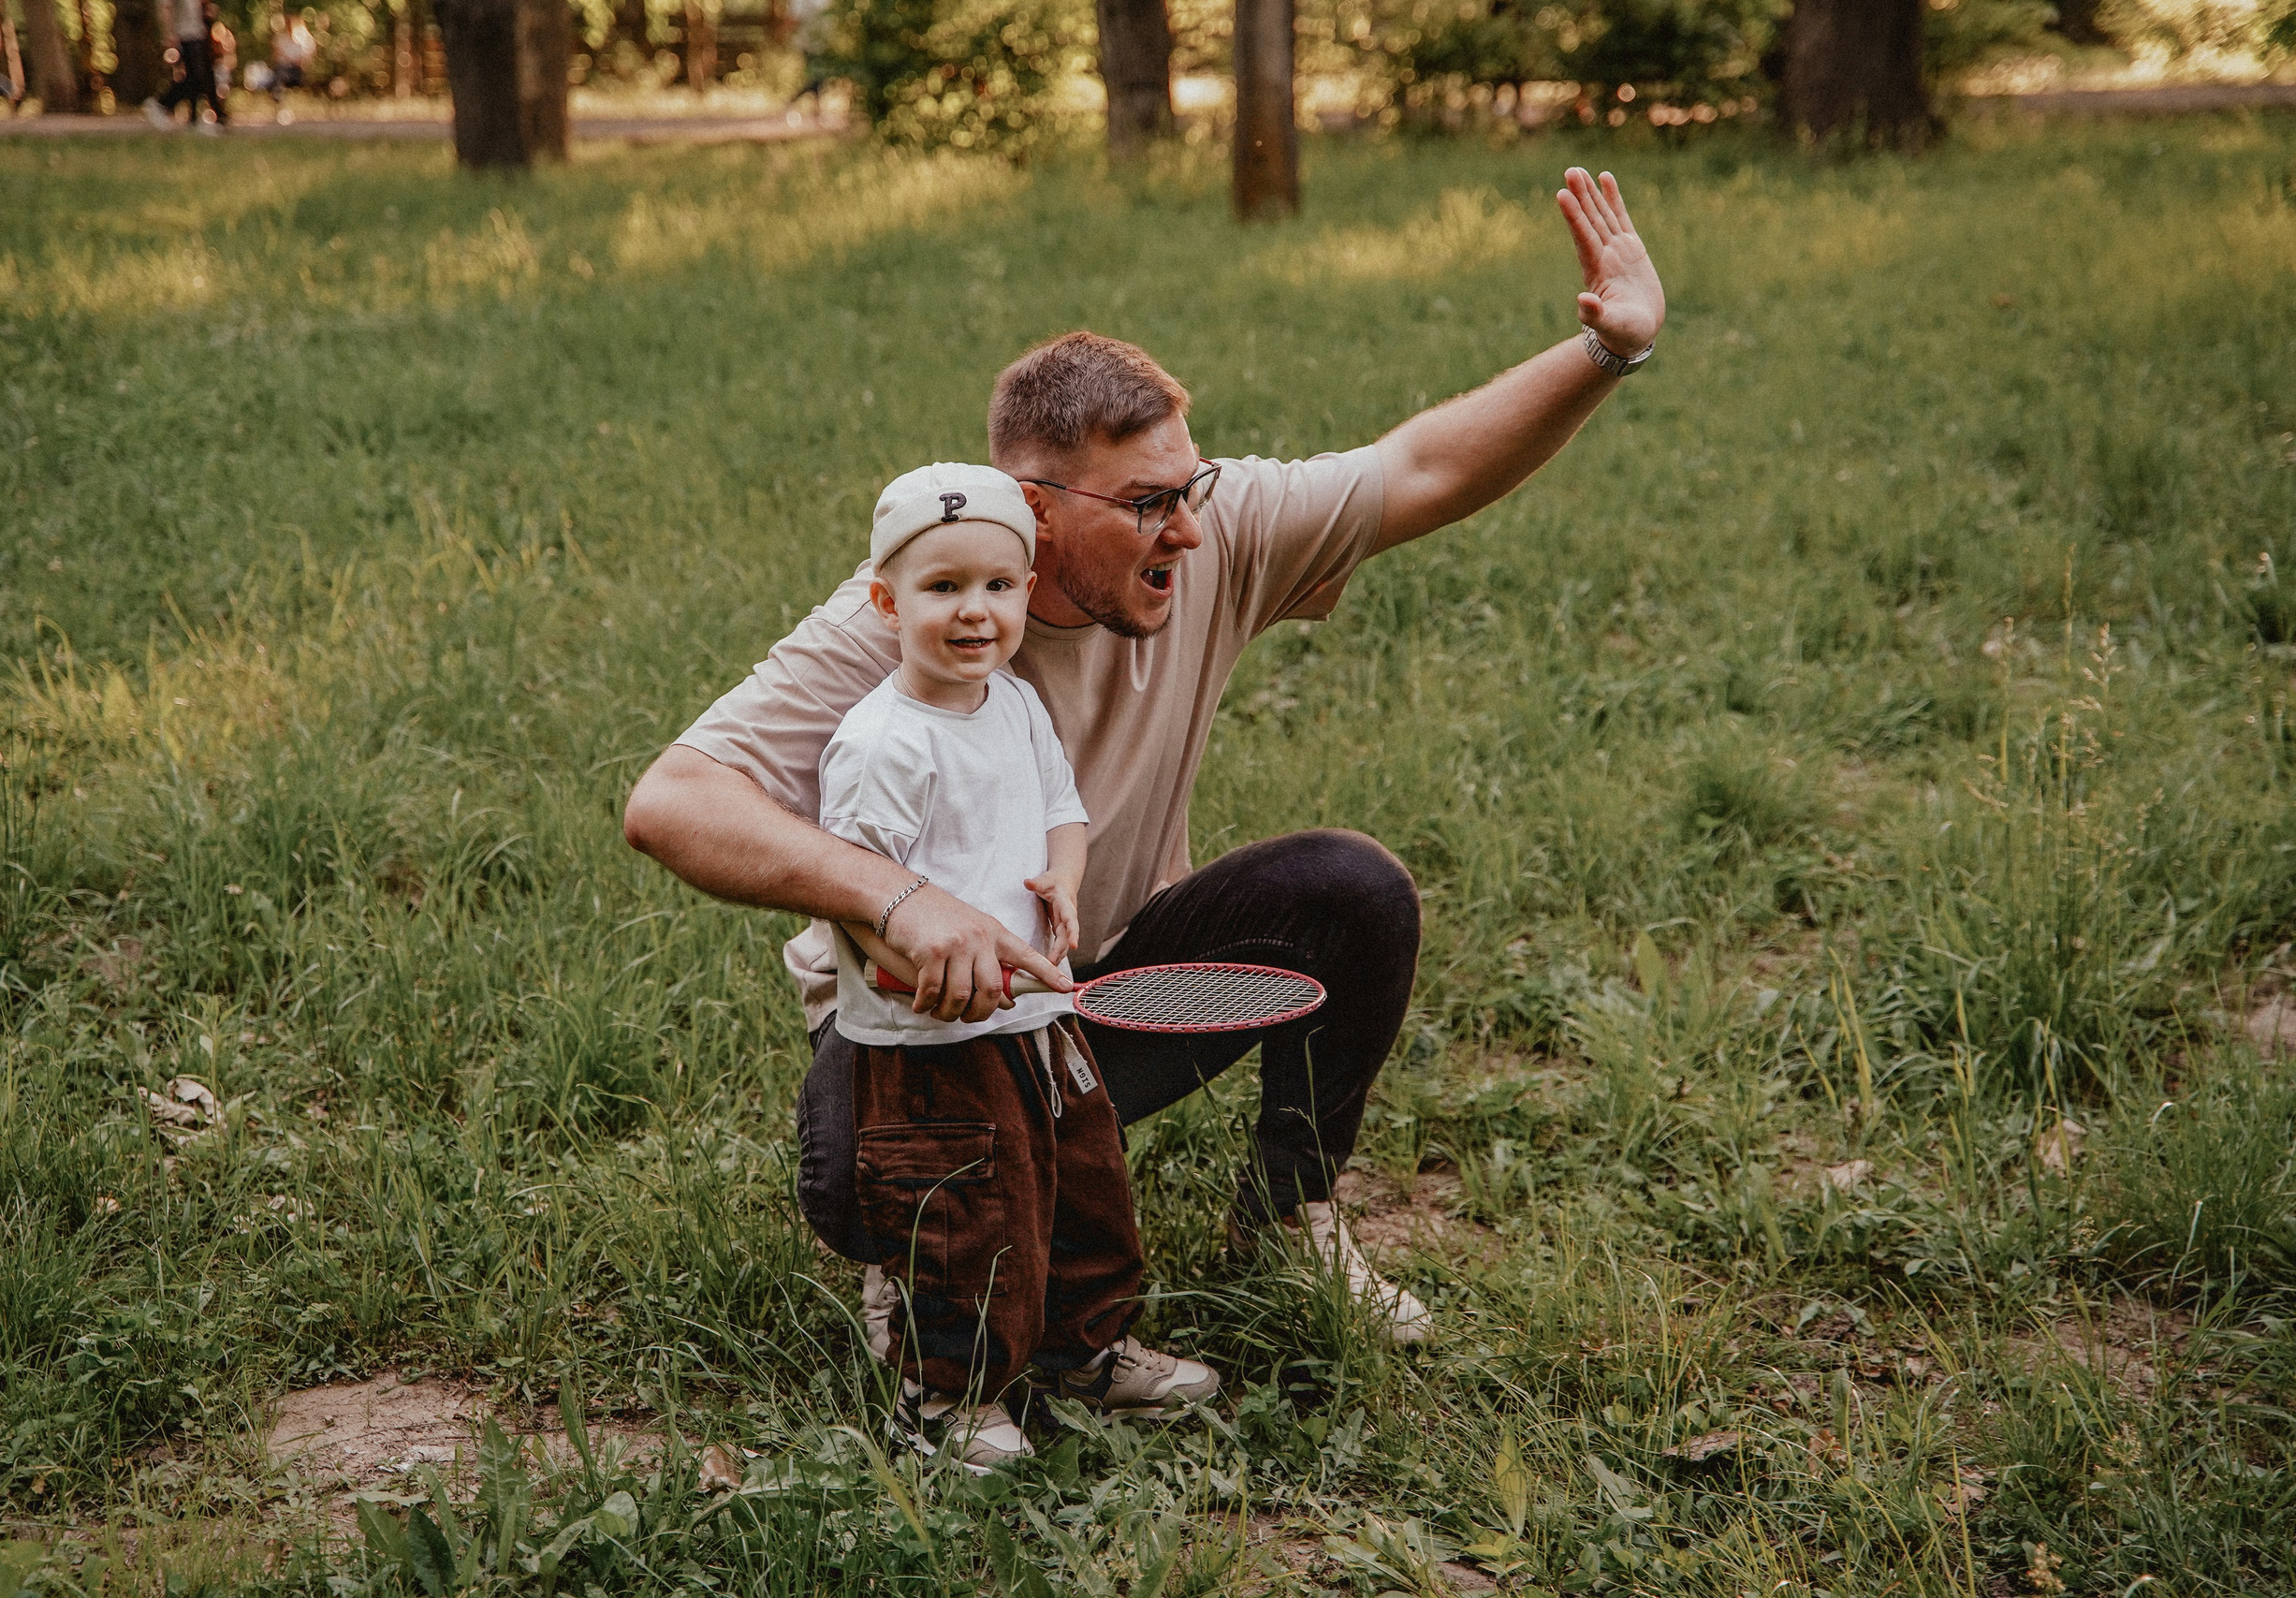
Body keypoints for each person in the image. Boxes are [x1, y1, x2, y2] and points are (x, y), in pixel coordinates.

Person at [624, 167, 1667, 1355]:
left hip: (1108, 994)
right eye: (1146, 502)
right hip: (923, 1040)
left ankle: (1288, 1214)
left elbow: (1420, 467)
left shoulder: (1206, 529)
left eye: (1193, 488)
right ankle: (917, 1237)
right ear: (1033, 509)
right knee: (915, 1232)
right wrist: (898, 904)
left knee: (1348, 887)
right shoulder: (906, 620)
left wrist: (1607, 355)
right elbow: (672, 802)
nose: (1185, 527)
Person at [822, 462, 1220, 1470]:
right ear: (886, 600)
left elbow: (1060, 811)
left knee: (1083, 1184)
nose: (974, 613)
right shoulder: (881, 743)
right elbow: (854, 888)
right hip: (933, 1041)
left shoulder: (1010, 703)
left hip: (1040, 1016)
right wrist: (918, 966)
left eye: (998, 587)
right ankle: (943, 1395)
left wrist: (1063, 882)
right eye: (942, 587)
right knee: (964, 1213)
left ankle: (1084, 1350)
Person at [148, 0, 225, 128]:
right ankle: (162, 103)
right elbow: (166, 7)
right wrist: (169, 34)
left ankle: (193, 119)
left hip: (198, 33)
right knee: (197, 76)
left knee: (199, 77)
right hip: (185, 34)